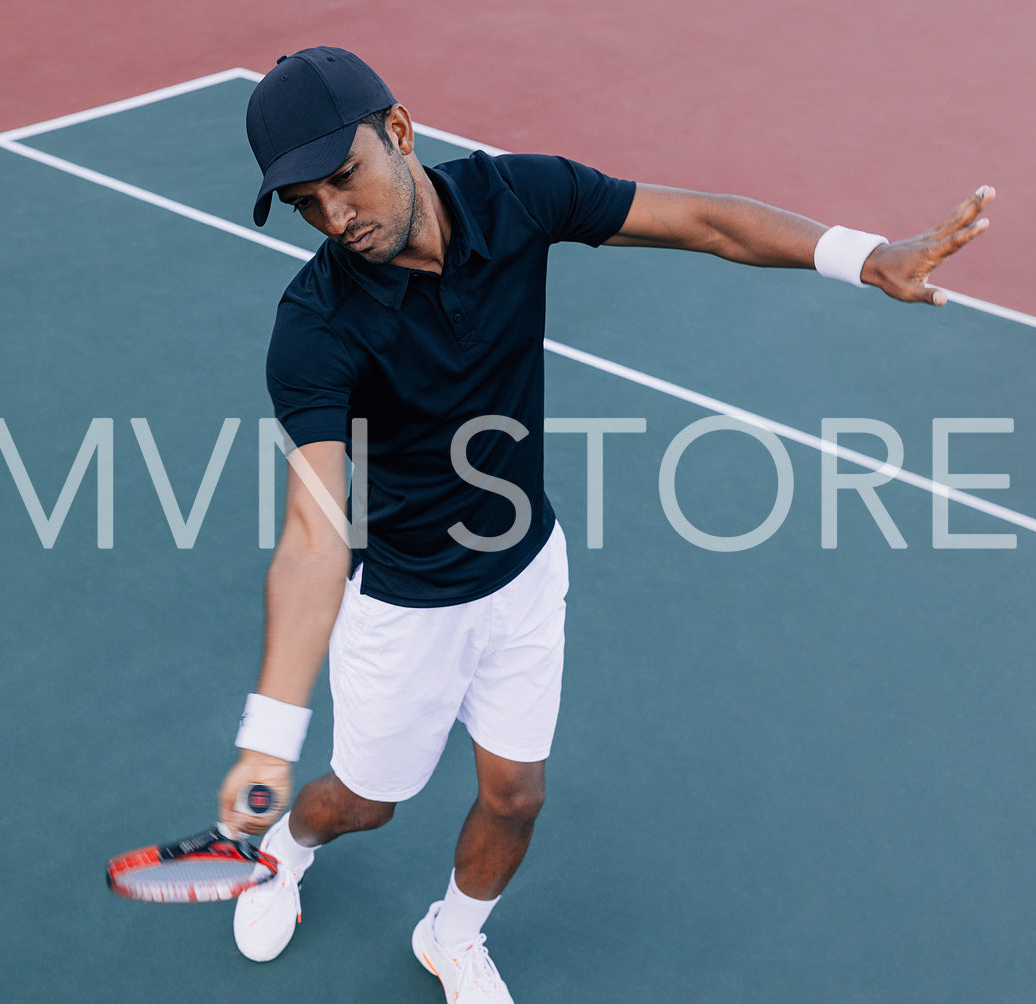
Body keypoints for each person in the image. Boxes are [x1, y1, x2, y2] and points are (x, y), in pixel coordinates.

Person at [218, 46, 992, 1003]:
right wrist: (267, 732)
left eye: (345, 178)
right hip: (407, 602)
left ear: (401, 134)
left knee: (516, 794)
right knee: (367, 802)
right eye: (306, 203)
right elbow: (312, 530)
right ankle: (286, 848)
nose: (337, 217)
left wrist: (866, 256)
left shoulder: (519, 197)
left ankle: (450, 935)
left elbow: (705, 224)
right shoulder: (315, 328)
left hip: (527, 571)